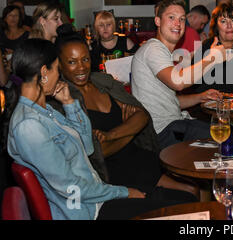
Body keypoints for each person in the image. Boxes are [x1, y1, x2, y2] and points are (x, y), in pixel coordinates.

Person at [7, 38, 196, 220]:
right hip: (88, 211)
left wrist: (70, 103)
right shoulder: (28, 126)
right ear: (44, 72)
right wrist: (123, 192)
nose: (59, 75)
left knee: (188, 201)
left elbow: (87, 146)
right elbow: (71, 187)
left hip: (97, 196)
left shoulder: (44, 109)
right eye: (57, 68)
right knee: (187, 209)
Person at [53, 26, 199, 197]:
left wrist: (110, 136)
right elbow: (98, 153)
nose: (81, 68)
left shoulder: (102, 82)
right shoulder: (64, 100)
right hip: (112, 173)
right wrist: (130, 129)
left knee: (196, 186)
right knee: (188, 194)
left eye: (85, 59)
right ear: (59, 65)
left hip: (139, 157)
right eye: (72, 62)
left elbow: (143, 116)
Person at [131, 0, 228, 150]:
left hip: (172, 125)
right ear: (157, 21)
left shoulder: (161, 51)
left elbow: (170, 102)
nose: (178, 24)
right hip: (162, 132)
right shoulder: (153, 49)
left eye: (182, 19)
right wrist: (212, 58)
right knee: (226, 138)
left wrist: (200, 97)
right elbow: (178, 81)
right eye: (171, 18)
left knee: (222, 131)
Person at [193, 2, 233, 93]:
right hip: (211, 102)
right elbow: (195, 85)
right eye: (223, 21)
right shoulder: (207, 47)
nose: (229, 26)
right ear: (216, 26)